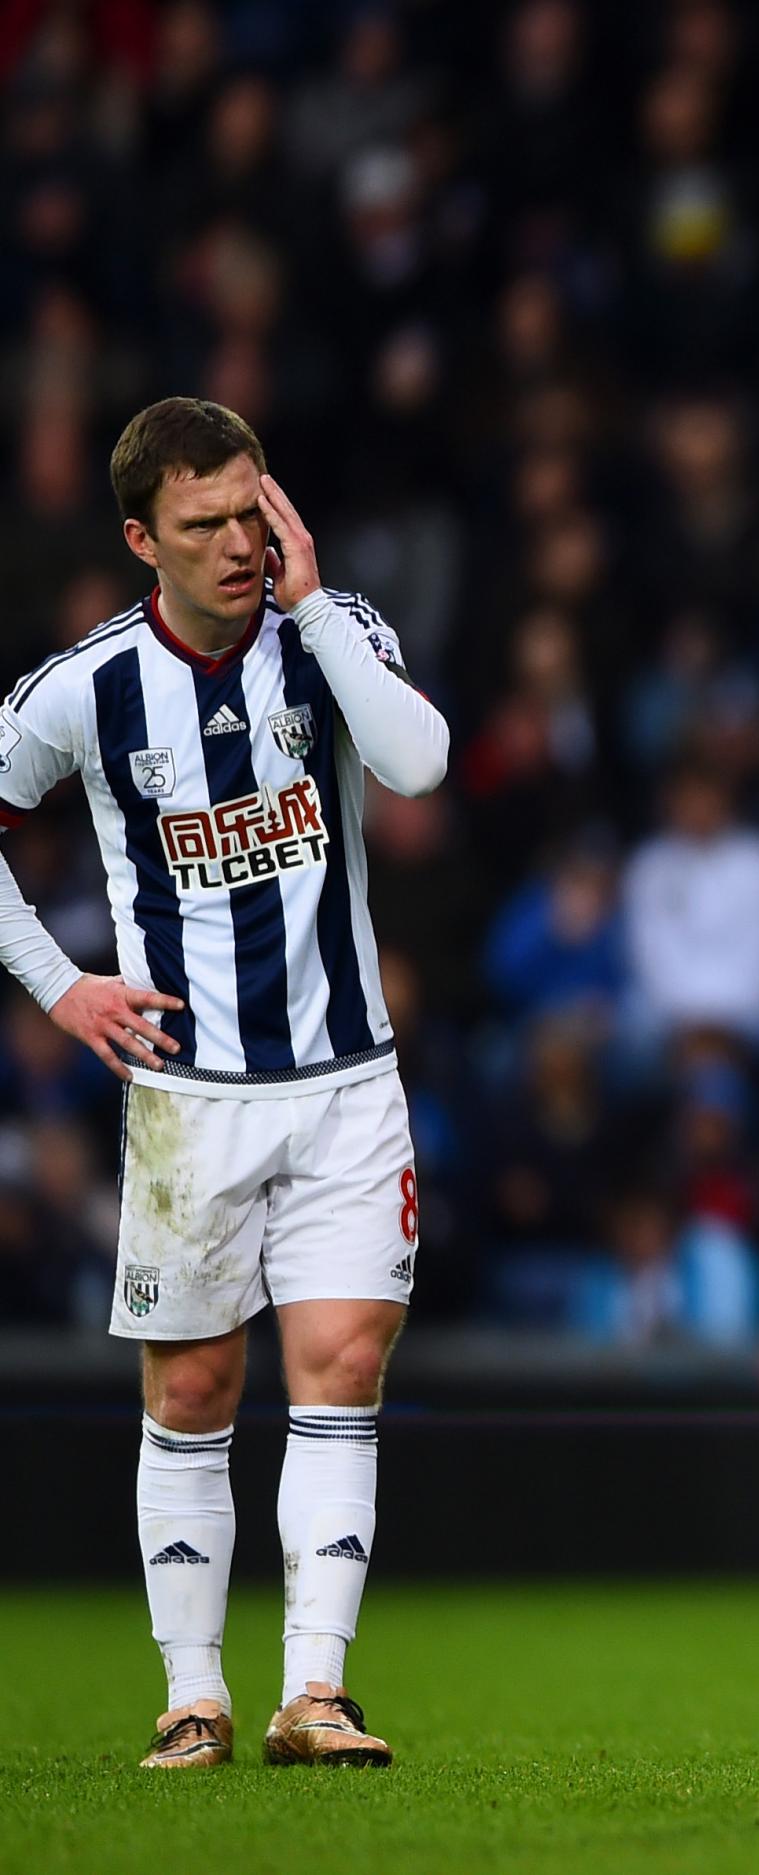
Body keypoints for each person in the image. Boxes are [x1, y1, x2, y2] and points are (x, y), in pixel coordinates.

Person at [0, 398, 449, 1768]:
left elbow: (420, 763)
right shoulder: (87, 687)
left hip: (347, 1074)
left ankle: (314, 1688)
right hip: (191, 1096)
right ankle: (192, 1691)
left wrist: (314, 613)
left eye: (252, 511)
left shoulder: (339, 632)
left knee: (344, 1363)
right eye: (203, 525)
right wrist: (59, 984)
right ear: (145, 536)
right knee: (192, 1387)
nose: (238, 544)